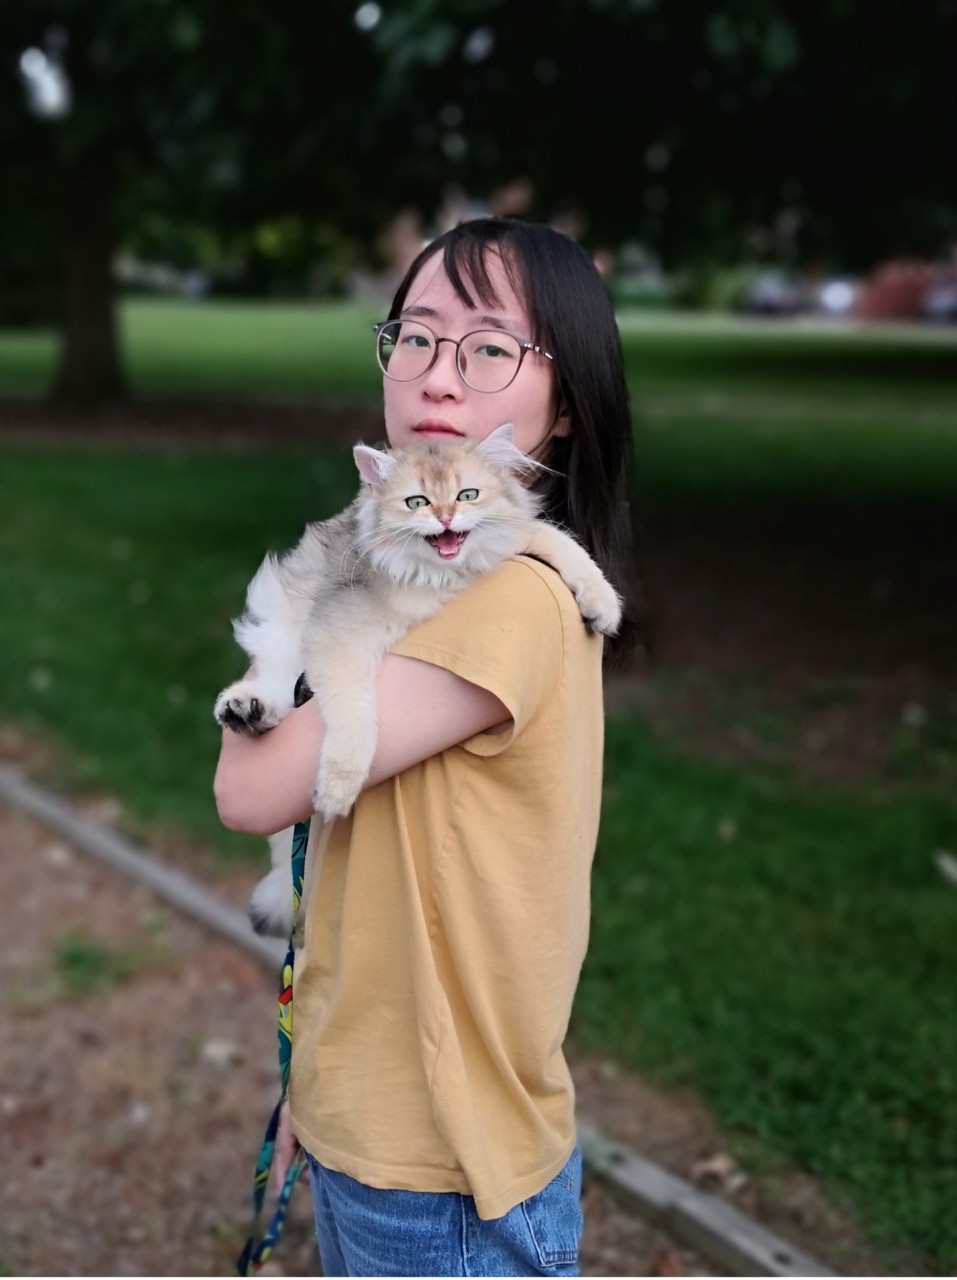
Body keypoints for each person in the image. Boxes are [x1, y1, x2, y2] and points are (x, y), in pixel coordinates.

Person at [214, 217, 637, 1277]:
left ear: (568, 400)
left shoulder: (514, 603)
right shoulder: (433, 566)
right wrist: (321, 1078)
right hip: (374, 1105)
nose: (441, 375)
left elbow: (252, 786)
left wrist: (291, 628)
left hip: (445, 1166)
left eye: (491, 346)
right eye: (416, 335)